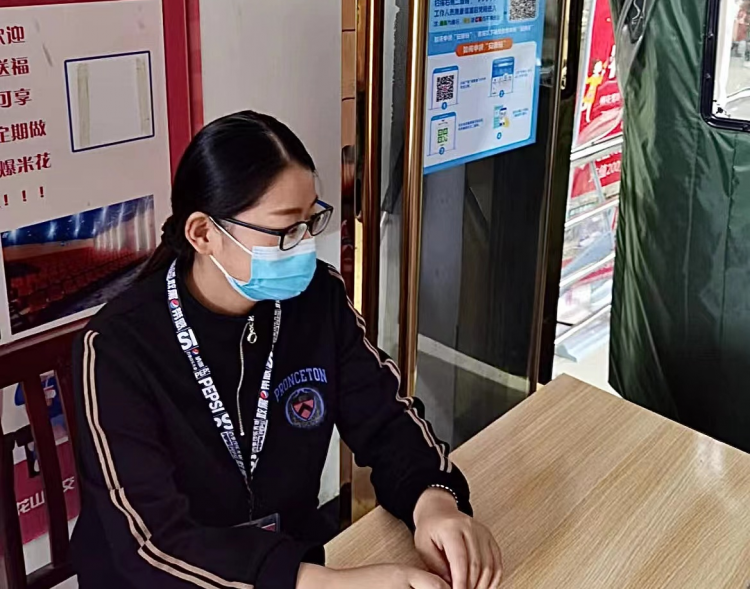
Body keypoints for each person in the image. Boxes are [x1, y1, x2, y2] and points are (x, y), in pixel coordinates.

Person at [71, 111, 503, 589]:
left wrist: (435, 502)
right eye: (286, 229)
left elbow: (385, 418)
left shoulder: (316, 299)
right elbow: (150, 544)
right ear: (203, 233)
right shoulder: (115, 348)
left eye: (311, 220)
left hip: (295, 558)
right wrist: (329, 585)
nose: (305, 245)